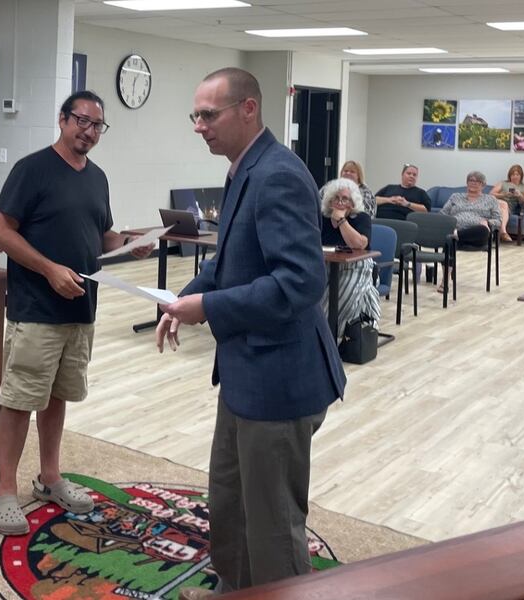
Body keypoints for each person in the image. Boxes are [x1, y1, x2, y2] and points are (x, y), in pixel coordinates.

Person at [155, 68, 346, 598]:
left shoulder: (277, 174)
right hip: (246, 370)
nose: (199, 126)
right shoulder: (244, 168)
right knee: (231, 499)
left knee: (272, 522)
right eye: (195, 115)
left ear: (248, 110)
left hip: (280, 379)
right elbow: (231, 261)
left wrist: (209, 307)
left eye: (208, 115)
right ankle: (234, 588)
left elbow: (298, 285)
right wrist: (184, 298)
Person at [0, 90, 152, 535]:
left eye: (97, 125)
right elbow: (1, 231)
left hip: (82, 307)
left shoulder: (97, 177)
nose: (89, 131)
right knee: (21, 398)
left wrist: (130, 245)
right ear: (62, 120)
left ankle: (50, 477)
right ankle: (4, 490)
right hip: (37, 309)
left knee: (58, 396)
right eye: (82, 121)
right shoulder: (33, 169)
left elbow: (101, 235)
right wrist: (48, 269)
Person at [320, 177, 380, 342]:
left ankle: (329, 340)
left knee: (334, 301)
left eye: (345, 199)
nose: (340, 202)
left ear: (352, 203)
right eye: (336, 198)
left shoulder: (361, 218)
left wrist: (341, 221)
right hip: (325, 265)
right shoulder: (322, 218)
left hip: (357, 267)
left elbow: (359, 245)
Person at [438, 170, 501, 292]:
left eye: (478, 181)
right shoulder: (456, 197)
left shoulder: (491, 199)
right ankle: (445, 281)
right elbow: (442, 214)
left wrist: (488, 222)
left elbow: (498, 220)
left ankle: (456, 235)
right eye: (471, 180)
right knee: (449, 242)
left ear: (483, 185)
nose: (473, 183)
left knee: (483, 230)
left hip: (477, 237)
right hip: (455, 233)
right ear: (467, 183)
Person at [490, 164, 524, 243]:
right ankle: (503, 232)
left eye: (517, 174)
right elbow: (491, 194)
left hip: (509, 208)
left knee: (504, 206)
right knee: (503, 204)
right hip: (496, 203)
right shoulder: (503, 183)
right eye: (513, 174)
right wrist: (504, 194)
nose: (515, 176)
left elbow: (523, 204)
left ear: (521, 176)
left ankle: (500, 233)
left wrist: (520, 196)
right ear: (510, 175)